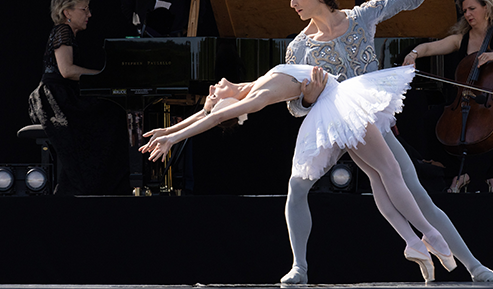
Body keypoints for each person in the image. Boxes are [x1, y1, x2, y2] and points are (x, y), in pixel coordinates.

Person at [282, 0, 493, 283]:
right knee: (298, 187)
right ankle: (299, 268)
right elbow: (294, 107)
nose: (292, 4)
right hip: (334, 125)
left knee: (409, 190)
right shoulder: (299, 48)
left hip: (370, 124)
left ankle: (474, 266)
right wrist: (307, 99)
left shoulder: (359, 18)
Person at [140, 64, 456, 282]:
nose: (210, 91)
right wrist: (175, 138)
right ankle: (431, 235)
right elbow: (211, 117)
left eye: (209, 96)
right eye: (213, 97)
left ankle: (412, 242)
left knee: (377, 176)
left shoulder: (251, 87)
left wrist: (171, 128)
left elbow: (208, 113)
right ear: (227, 108)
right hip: (338, 105)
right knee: (389, 171)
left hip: (333, 106)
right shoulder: (257, 97)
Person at [403, 0, 493, 193]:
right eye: (465, 11)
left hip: (492, 98)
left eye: (472, 9)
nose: (468, 14)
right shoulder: (461, 39)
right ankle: (457, 174)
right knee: (432, 118)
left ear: (486, 8)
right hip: (464, 99)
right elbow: (430, 48)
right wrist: (413, 54)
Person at [29, 0, 131, 196]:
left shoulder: (67, 33)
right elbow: (66, 71)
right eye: (84, 9)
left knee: (110, 111)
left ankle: (99, 181)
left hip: (62, 95)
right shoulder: (63, 31)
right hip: (55, 99)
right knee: (111, 113)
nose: (89, 14)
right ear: (67, 12)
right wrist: (104, 76)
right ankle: (99, 183)